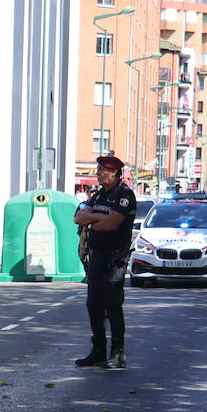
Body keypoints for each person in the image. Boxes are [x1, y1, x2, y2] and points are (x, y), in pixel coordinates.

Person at [72, 155, 136, 368]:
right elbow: (79, 219)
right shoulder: (98, 195)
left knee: (113, 306)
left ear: (115, 173)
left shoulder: (124, 196)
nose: (97, 174)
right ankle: (98, 350)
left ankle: (118, 354)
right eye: (98, 170)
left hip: (114, 259)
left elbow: (108, 226)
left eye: (102, 171)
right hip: (96, 256)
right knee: (94, 306)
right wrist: (95, 221)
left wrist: (94, 220)